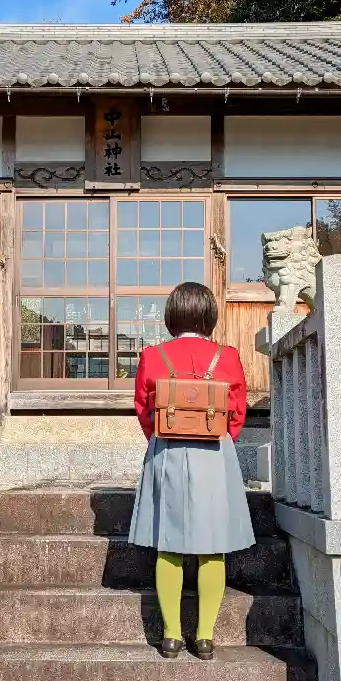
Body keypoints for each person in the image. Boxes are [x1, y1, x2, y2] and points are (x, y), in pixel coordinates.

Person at [129, 281, 255, 660]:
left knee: (168, 544)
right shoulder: (227, 357)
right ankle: (204, 637)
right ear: (209, 316)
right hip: (214, 451)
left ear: (172, 315)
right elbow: (237, 409)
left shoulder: (153, 356)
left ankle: (171, 636)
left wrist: (160, 437)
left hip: (167, 449)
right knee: (212, 547)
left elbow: (143, 408)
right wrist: (222, 437)